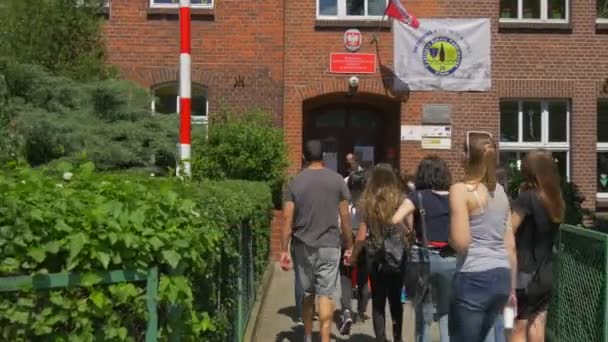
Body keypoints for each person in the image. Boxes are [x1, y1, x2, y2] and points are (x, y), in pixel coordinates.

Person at [279, 140, 354, 342]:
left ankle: (306, 336)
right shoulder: (337, 180)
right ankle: (325, 338)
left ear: (304, 157)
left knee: (307, 293)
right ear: (324, 157)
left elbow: (287, 218)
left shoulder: (295, 182)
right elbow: (345, 218)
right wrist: (349, 246)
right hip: (330, 245)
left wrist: (284, 250)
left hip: (303, 246)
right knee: (326, 295)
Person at [448, 131, 517, 342]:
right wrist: (511, 289)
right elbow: (510, 246)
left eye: (462, 148)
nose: (458, 152)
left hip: (473, 275)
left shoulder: (460, 190)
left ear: (468, 155)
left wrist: (449, 236)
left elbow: (461, 243)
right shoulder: (502, 193)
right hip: (502, 276)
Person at [391, 156, 455, 342]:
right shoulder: (454, 196)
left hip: (422, 258)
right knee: (446, 312)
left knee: (423, 313)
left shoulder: (418, 196)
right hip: (449, 258)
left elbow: (395, 219)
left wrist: (408, 232)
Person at [510, 150, 565, 342]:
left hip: (525, 272)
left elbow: (509, 230)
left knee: (519, 325)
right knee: (538, 322)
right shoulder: (555, 199)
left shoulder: (527, 198)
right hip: (546, 270)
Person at [353, 164, 407, 342]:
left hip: (375, 256)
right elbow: (409, 230)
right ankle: (397, 337)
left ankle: (381, 338)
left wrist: (354, 254)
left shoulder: (367, 202)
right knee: (396, 300)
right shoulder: (401, 199)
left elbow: (361, 235)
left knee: (378, 301)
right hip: (397, 256)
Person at [339, 153, 370, 332]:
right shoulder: (368, 204)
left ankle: (346, 311)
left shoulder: (345, 203)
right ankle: (360, 312)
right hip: (364, 244)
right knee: (363, 279)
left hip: (346, 241)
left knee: (344, 277)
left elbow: (340, 222)